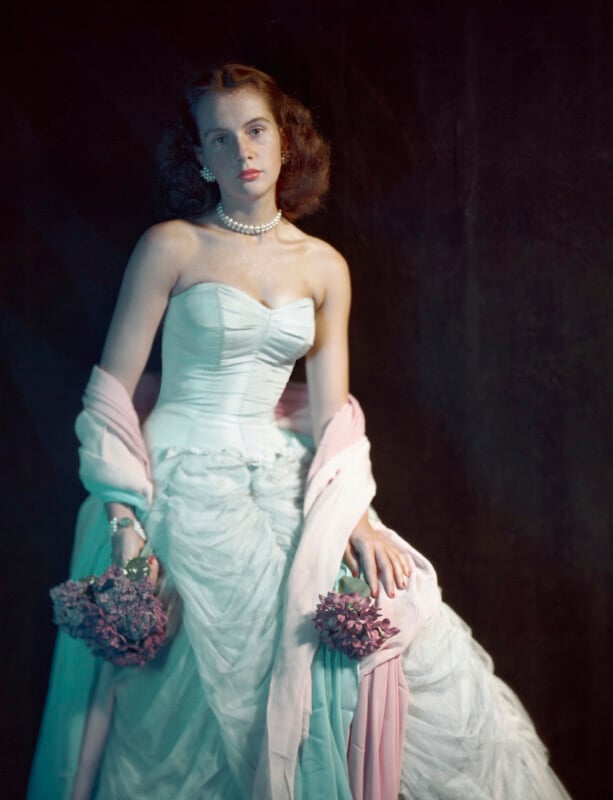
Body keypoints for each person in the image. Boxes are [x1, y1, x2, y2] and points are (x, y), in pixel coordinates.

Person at [28, 63, 570, 800]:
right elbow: (109, 396)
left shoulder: (323, 267)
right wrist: (124, 517)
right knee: (225, 655)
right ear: (200, 157)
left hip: (281, 466)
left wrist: (356, 516)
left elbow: (331, 415)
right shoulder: (172, 246)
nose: (242, 152)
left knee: (383, 608)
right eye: (220, 139)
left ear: (286, 140)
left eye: (256, 130)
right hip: (179, 476)